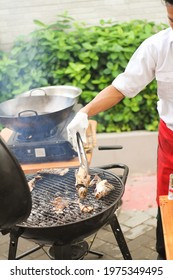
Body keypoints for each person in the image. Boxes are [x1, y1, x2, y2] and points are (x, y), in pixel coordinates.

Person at [67, 1, 173, 260]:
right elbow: (122, 87)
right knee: (169, 207)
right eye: (172, 19)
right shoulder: (158, 46)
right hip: (172, 139)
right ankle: (165, 257)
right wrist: (85, 112)